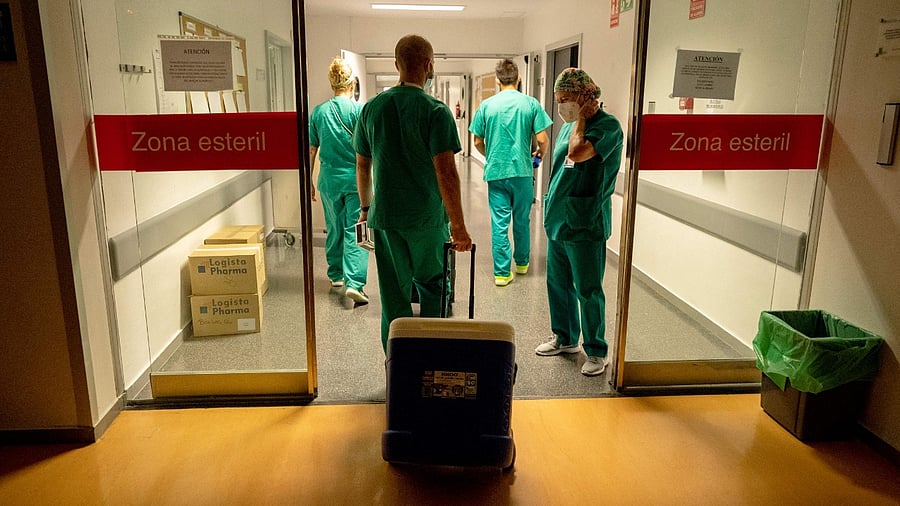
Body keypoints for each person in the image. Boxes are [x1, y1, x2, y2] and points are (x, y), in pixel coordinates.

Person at [354, 34, 473, 351]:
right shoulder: (436, 111)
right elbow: (445, 171)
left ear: (397, 65)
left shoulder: (371, 110)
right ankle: (429, 359)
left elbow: (363, 166)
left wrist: (366, 209)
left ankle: (397, 367)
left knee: (394, 295)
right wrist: (458, 226)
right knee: (434, 288)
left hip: (387, 218)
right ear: (429, 65)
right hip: (427, 219)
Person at [534, 68, 623, 376]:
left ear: (586, 98)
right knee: (557, 283)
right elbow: (561, 165)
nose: (562, 106)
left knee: (587, 288)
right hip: (559, 216)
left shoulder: (607, 127)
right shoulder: (567, 126)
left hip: (586, 220)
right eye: (559, 99)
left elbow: (578, 151)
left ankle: (597, 350)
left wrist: (583, 119)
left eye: (566, 99)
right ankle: (565, 337)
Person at [469, 59, 552, 286]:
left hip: (496, 173)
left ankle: (502, 274)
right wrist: (538, 155)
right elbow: (543, 139)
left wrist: (491, 156)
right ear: (519, 78)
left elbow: (477, 141)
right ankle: (522, 264)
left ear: (497, 80)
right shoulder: (530, 104)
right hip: (523, 172)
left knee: (499, 223)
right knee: (522, 220)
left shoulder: (486, 106)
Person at [309, 57, 370, 304]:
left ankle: (336, 274)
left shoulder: (319, 112)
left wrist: (307, 181)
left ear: (332, 83)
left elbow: (311, 150)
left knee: (334, 227)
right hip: (356, 181)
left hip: (329, 181)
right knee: (358, 228)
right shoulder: (359, 111)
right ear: (352, 83)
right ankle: (355, 283)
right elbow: (368, 151)